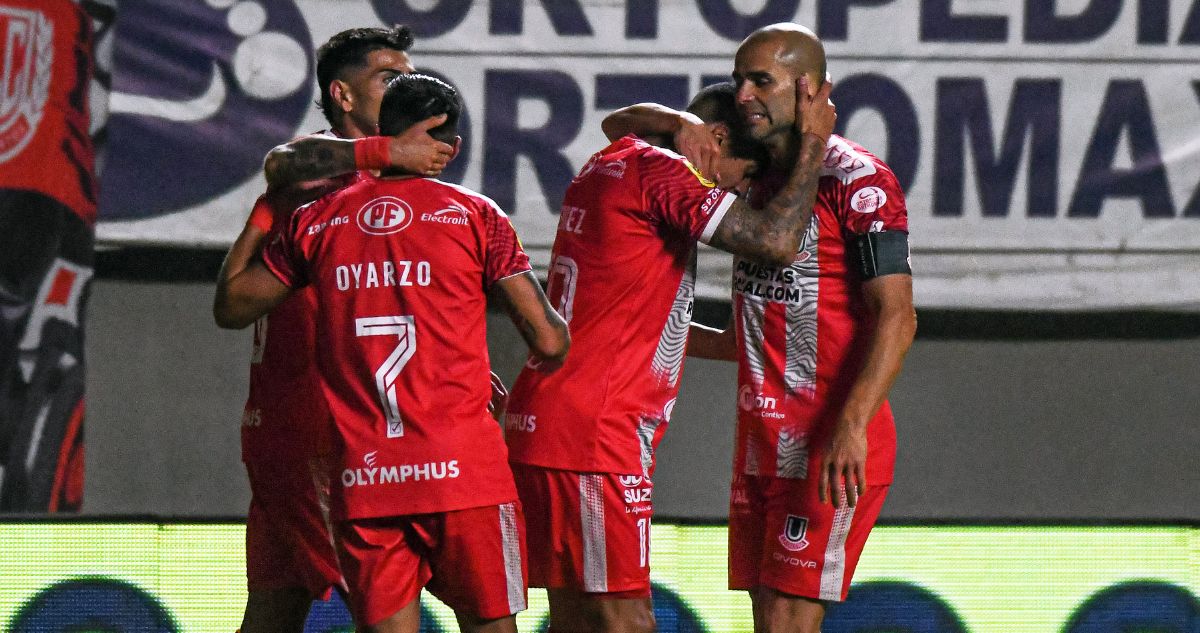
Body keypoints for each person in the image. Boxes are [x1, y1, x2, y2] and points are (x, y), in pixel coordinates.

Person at [215, 73, 569, 633]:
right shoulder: (476, 215)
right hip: (464, 477)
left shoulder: (318, 219)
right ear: (452, 146)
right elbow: (549, 341)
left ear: (382, 130)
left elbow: (232, 306)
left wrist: (264, 216)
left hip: (367, 480)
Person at [501, 79, 835, 632]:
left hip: (550, 418)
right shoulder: (664, 173)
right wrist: (814, 145)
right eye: (746, 174)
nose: (743, 190)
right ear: (717, 140)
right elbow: (775, 240)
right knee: (629, 621)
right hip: (596, 434)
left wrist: (752, 345)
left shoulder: (616, 158)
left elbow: (616, 121)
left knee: (576, 622)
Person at [616, 23, 916, 633]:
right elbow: (620, 131)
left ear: (810, 89)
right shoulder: (748, 175)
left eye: (761, 80)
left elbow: (898, 315)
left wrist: (851, 426)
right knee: (766, 614)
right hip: (759, 442)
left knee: (786, 616)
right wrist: (680, 122)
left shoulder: (856, 180)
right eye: (739, 80)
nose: (744, 94)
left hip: (826, 439)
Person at [217, 26, 460, 633]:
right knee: (384, 610)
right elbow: (282, 160)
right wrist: (386, 153)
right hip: (321, 431)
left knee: (274, 611)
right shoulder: (317, 171)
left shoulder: (381, 185)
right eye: (388, 77)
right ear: (342, 95)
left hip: (298, 429)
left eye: (408, 76)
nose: (403, 87)